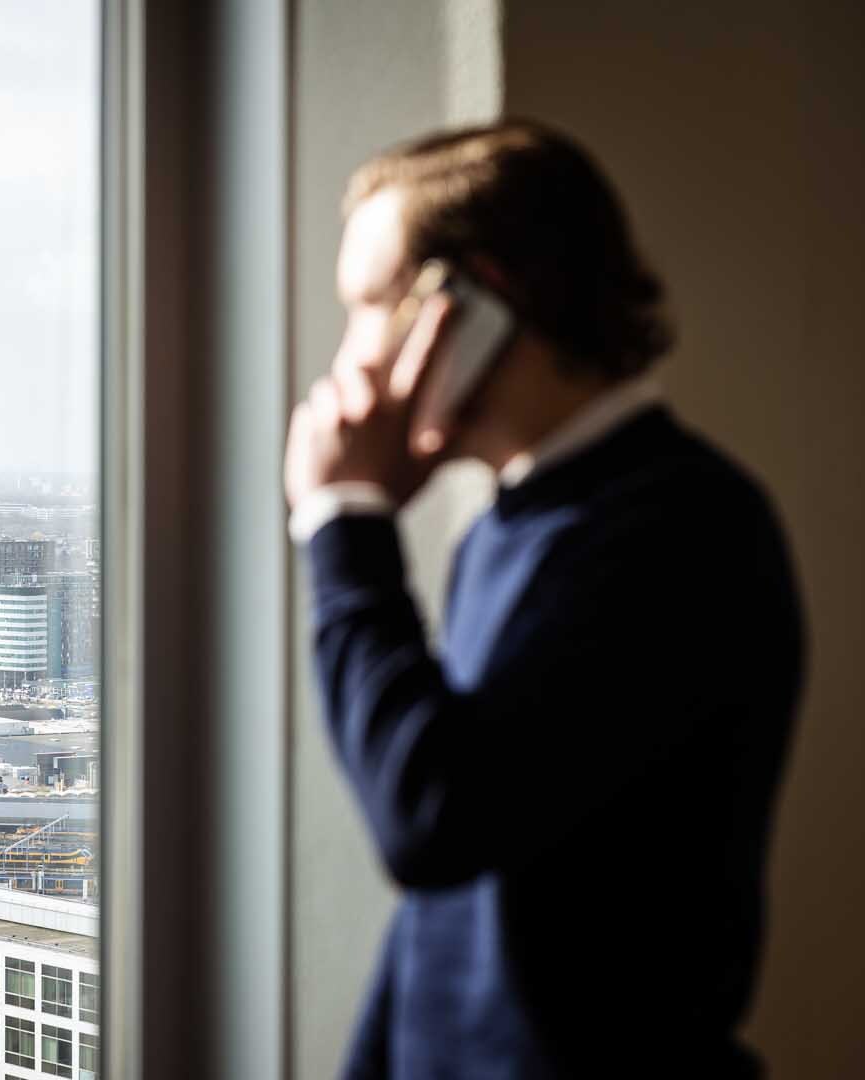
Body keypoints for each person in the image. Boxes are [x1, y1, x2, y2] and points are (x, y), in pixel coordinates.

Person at [283, 120, 804, 1078]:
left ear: (478, 297)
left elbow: (432, 815)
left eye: (369, 307)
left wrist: (344, 518)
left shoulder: (683, 531)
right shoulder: (511, 527)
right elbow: (455, 909)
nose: (348, 361)